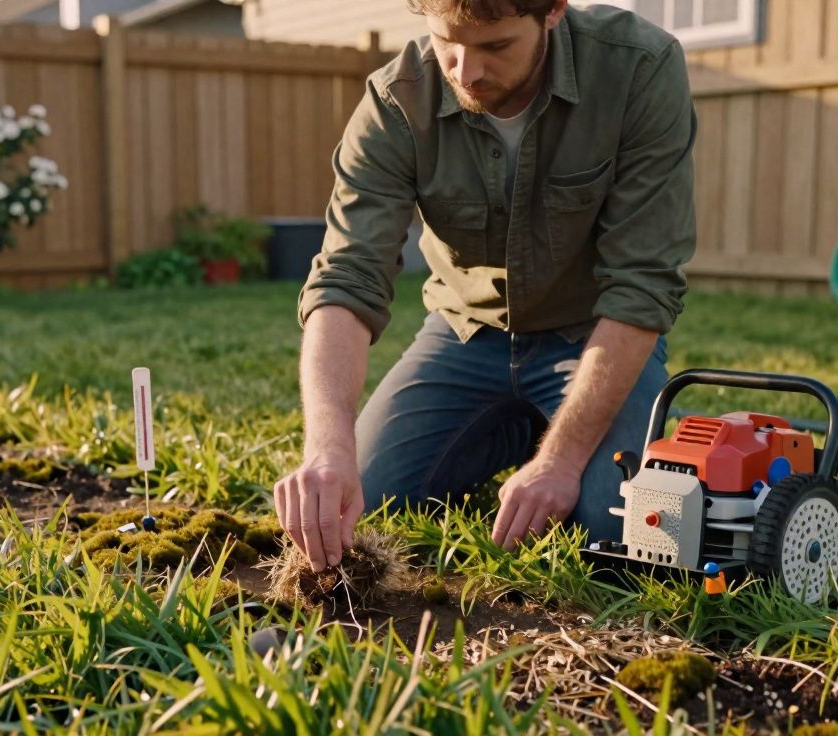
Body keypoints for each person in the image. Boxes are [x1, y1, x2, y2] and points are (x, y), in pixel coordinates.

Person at [274, 0, 697, 572]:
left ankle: (547, 439)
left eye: (494, 46)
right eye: (446, 41)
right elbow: (347, 276)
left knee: (610, 534)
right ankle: (520, 430)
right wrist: (329, 447)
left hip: (591, 338)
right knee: (370, 503)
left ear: (552, 12)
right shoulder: (396, 100)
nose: (464, 70)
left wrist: (562, 462)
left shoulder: (639, 69)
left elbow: (642, 286)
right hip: (464, 337)